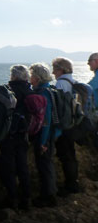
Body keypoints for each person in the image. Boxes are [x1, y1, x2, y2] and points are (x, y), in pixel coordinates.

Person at [0, 65, 32, 211]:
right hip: (23, 134)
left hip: (8, 135)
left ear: (13, 76)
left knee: (8, 169)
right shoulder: (30, 92)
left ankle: (12, 199)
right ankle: (26, 199)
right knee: (23, 167)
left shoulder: (8, 91)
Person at [29, 63, 60, 208]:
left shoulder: (43, 93)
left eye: (32, 75)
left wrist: (42, 142)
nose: (30, 78)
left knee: (44, 166)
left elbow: (45, 120)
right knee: (47, 165)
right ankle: (50, 194)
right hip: (52, 134)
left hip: (45, 136)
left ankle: (48, 197)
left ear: (37, 77)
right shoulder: (50, 90)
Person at [51, 57, 79, 195]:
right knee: (71, 155)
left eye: (55, 69)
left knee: (65, 155)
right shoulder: (73, 81)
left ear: (61, 69)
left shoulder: (61, 83)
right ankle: (74, 182)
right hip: (73, 123)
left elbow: (58, 107)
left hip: (64, 125)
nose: (53, 72)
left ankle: (70, 185)